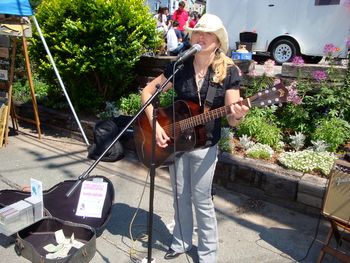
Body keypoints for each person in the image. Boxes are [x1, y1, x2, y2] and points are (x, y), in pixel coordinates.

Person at [140, 14, 250, 263]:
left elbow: (232, 118)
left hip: (205, 146)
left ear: (218, 40)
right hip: (178, 142)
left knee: (201, 200)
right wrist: (155, 124)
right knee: (179, 196)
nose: (201, 36)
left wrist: (239, 115)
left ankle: (208, 255)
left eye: (207, 33)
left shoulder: (229, 71)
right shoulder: (181, 66)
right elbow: (148, 91)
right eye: (197, 32)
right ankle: (180, 241)